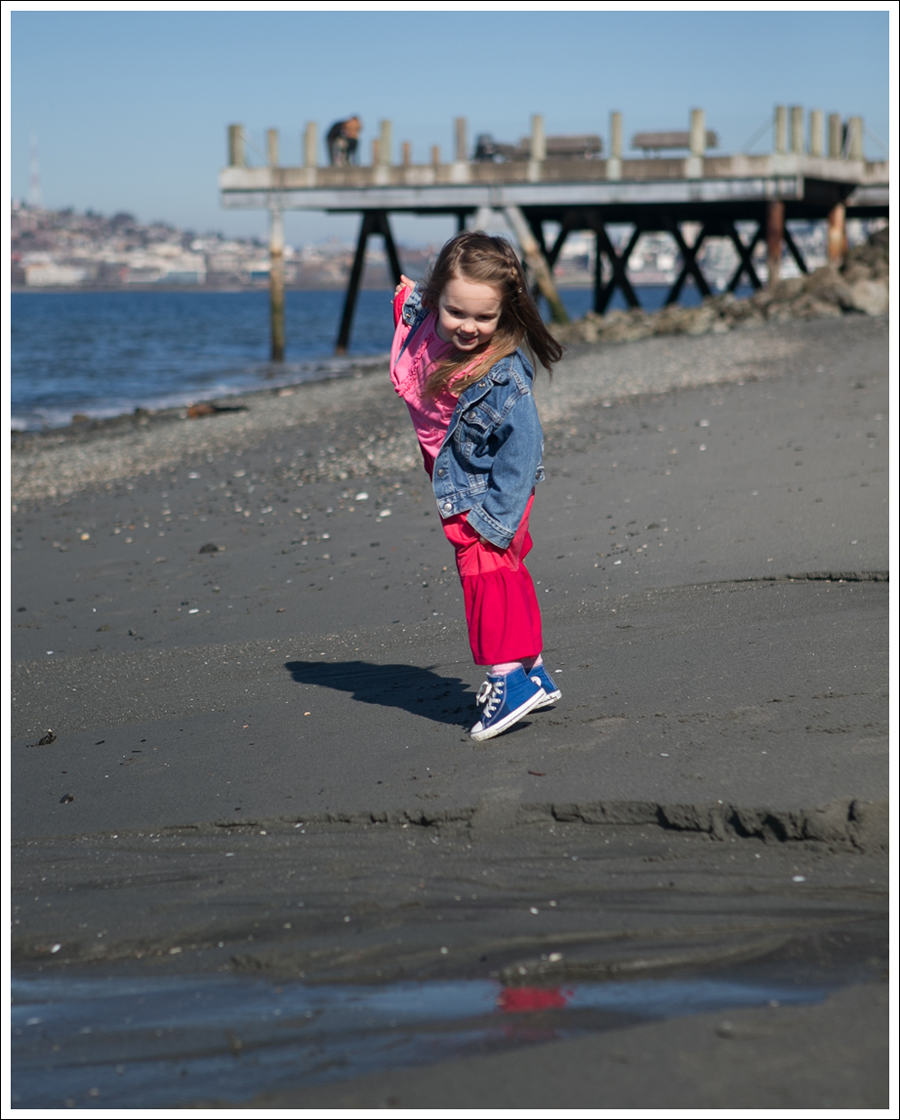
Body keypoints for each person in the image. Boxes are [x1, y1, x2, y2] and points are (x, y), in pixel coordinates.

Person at [390, 231, 564, 741]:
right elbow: (418, 307)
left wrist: (496, 519)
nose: (467, 327)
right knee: (505, 572)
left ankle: (507, 679)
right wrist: (410, 298)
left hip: (486, 489)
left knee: (485, 577)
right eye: (456, 312)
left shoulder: (503, 376)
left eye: (484, 317)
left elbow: (524, 451)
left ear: (505, 312)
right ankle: (533, 671)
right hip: (456, 474)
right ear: (437, 297)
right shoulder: (426, 317)